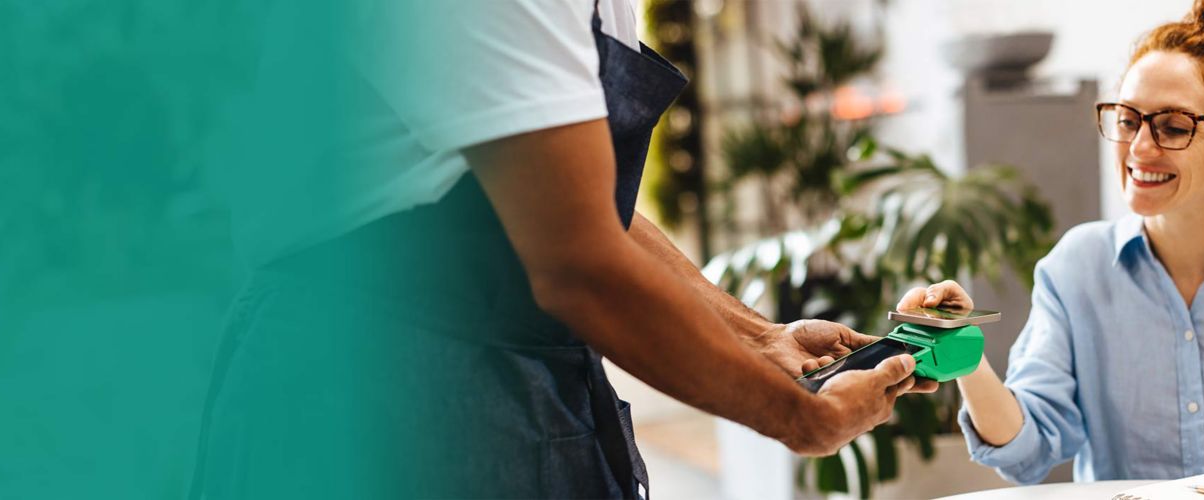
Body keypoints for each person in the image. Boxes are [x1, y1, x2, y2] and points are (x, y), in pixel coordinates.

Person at [191, 0, 931, 497]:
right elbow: (578, 261)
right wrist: (800, 420)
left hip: (500, 370)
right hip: (377, 386)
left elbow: (571, 199)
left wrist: (758, 337)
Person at [899, 0, 1204, 492]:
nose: (1138, 148)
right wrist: (966, 356)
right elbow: (1026, 452)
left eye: (1174, 127)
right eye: (1127, 119)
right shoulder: (1077, 268)